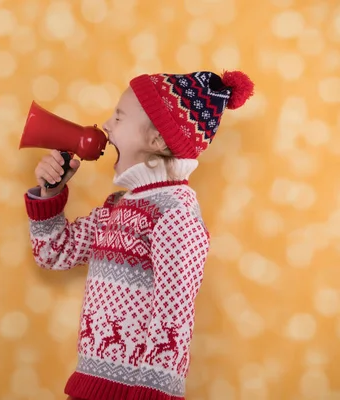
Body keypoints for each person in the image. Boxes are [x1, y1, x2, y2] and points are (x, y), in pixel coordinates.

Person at [23, 70, 254, 400]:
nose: (106, 124)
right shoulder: (120, 205)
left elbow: (174, 319)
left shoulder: (174, 212)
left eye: (118, 117)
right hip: (91, 388)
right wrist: (50, 193)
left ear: (157, 141)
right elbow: (55, 254)